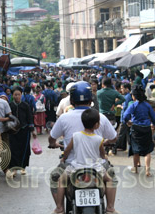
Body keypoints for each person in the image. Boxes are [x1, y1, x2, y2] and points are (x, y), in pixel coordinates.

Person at [49, 81, 118, 213]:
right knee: (112, 178)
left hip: (74, 166)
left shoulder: (65, 119)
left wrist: (58, 150)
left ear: (72, 100)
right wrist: (106, 143)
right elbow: (113, 139)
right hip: (97, 167)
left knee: (55, 177)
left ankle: (59, 208)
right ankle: (110, 208)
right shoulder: (101, 118)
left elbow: (54, 139)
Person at [123, 85, 155, 176]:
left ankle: (135, 169)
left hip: (136, 129)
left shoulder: (133, 105)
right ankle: (147, 171)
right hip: (146, 129)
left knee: (136, 150)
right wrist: (154, 125)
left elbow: (125, 116)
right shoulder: (147, 105)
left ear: (134, 96)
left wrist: (128, 122)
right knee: (147, 151)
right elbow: (154, 118)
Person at [8, 86, 36, 177]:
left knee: (24, 149)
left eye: (18, 95)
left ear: (21, 95)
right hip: (13, 131)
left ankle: (23, 167)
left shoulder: (25, 105)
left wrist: (32, 130)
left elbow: (30, 117)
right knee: (13, 149)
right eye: (15, 95)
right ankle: (14, 168)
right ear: (12, 95)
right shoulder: (10, 105)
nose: (17, 96)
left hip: (24, 130)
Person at [115, 83, 132, 152]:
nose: (121, 90)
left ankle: (114, 148)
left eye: (122, 88)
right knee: (127, 134)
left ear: (127, 89)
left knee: (120, 134)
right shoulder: (127, 96)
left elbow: (125, 108)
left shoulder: (127, 97)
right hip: (126, 118)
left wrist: (120, 106)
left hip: (125, 118)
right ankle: (128, 148)